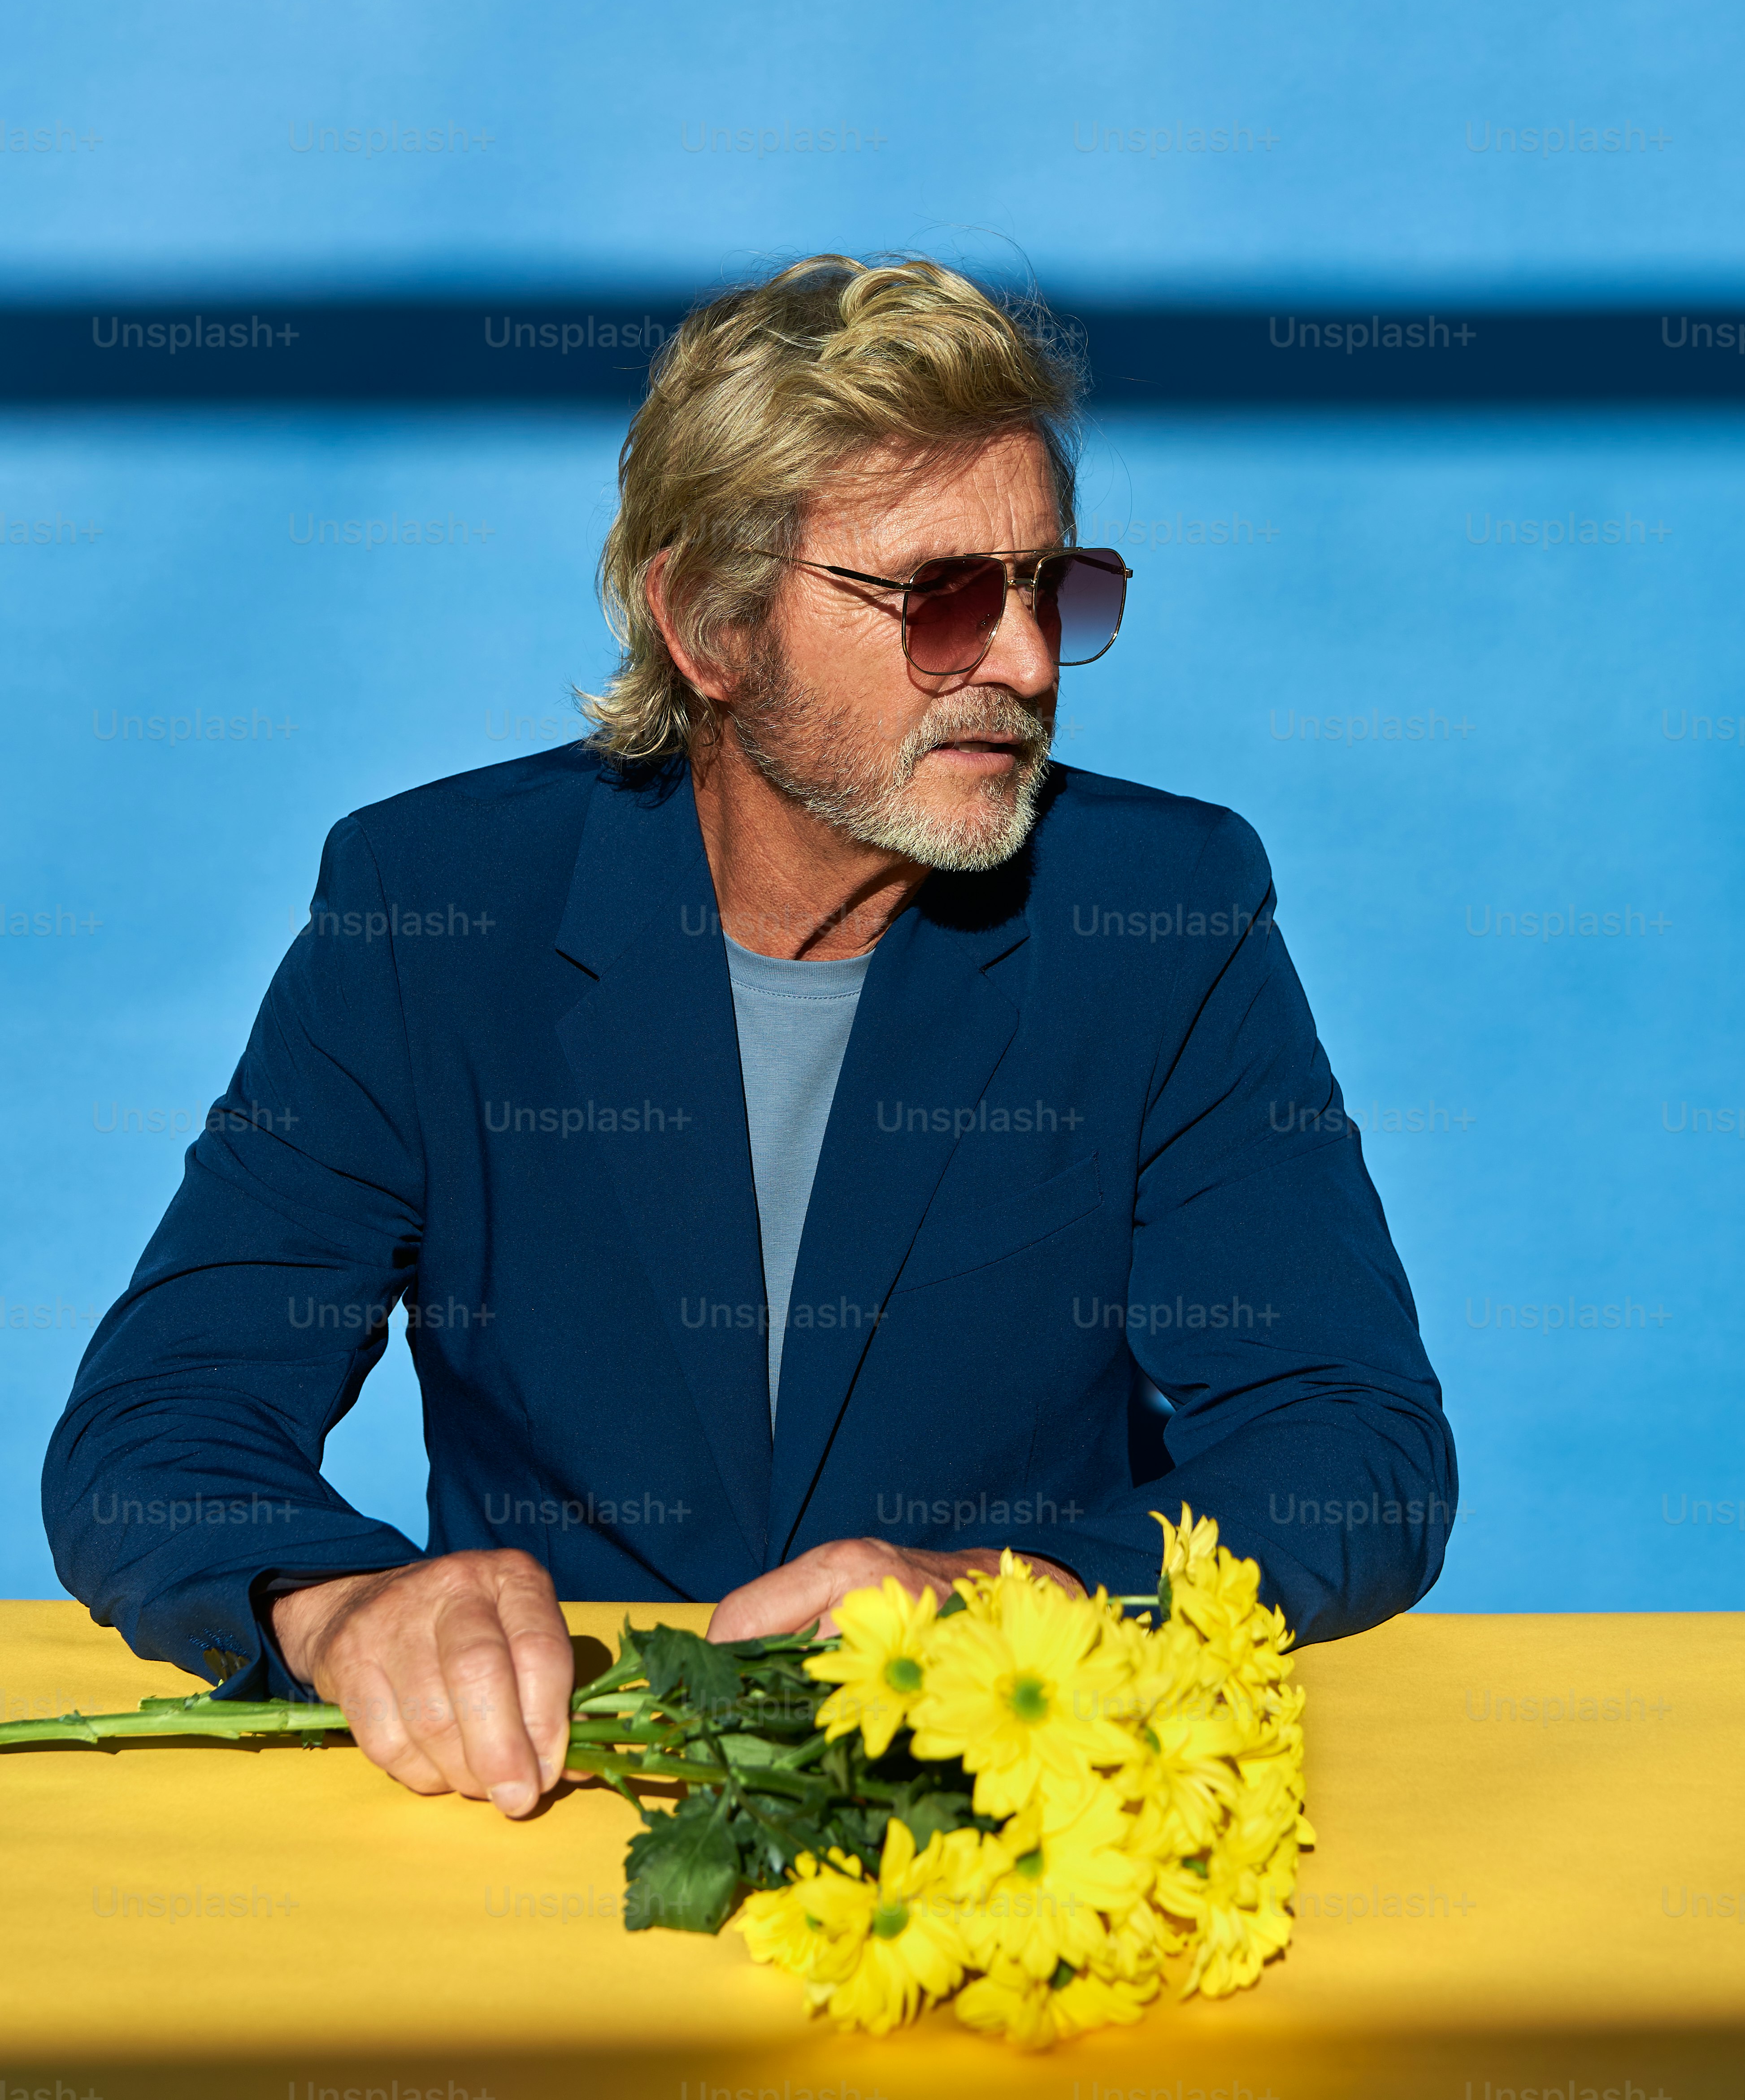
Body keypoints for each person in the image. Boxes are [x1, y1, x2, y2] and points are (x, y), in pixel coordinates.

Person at [43, 255, 1455, 1823]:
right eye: (941, 599)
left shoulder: (1166, 910)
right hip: (552, 1812)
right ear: (707, 626)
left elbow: (1352, 1451)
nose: (1030, 664)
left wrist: (1015, 1598)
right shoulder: (428, 907)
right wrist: (338, 1603)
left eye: (1053, 586)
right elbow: (155, 1432)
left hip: (1001, 1818)